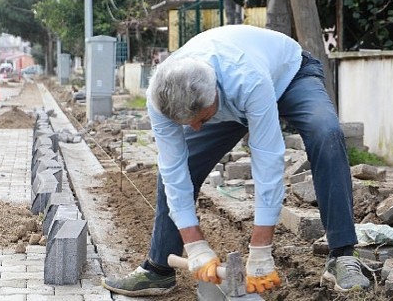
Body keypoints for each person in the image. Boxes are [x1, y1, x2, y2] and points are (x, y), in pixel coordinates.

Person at [102, 25, 370, 296]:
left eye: (202, 120)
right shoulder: (161, 96)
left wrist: (261, 251)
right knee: (176, 169)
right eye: (187, 123)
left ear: (215, 93)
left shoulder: (246, 79)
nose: (195, 129)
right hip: (228, 102)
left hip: (290, 74)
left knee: (326, 132)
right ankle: (158, 270)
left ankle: (342, 254)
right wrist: (193, 244)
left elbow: (267, 161)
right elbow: (173, 169)